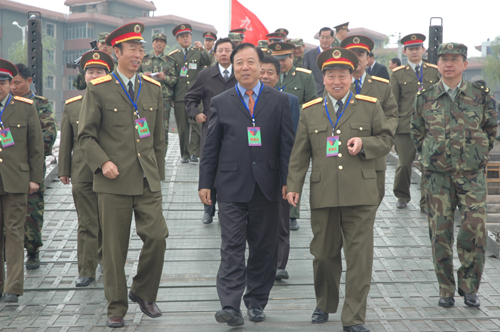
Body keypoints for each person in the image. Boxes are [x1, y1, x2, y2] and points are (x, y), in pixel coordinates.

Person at [286, 48, 393, 332]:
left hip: (361, 194)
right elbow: (300, 154)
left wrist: (365, 144)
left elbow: (385, 139)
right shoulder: (310, 111)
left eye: (342, 75)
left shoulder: (369, 106)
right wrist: (294, 187)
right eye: (331, 75)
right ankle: (325, 303)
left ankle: (354, 317)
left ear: (351, 77)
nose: (337, 81)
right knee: (323, 254)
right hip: (324, 194)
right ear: (323, 79)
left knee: (359, 258)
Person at [78, 22, 169, 328]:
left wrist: (157, 171)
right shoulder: (99, 88)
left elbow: (159, 138)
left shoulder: (153, 89)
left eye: (141, 49)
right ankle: (116, 306)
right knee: (115, 250)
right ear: (116, 52)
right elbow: (85, 137)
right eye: (132, 49)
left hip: (146, 180)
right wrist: (102, 163)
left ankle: (143, 292)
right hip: (113, 182)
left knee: (157, 237)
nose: (139, 54)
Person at [198, 43, 294, 326]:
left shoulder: (279, 101)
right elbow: (210, 147)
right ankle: (230, 305)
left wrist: (289, 182)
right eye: (239, 63)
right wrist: (206, 183)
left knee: (264, 249)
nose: (245, 68)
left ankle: (255, 302)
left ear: (260, 66)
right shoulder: (221, 101)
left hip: (268, 186)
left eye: (250, 62)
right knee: (232, 247)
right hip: (230, 186)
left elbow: (287, 146)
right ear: (234, 66)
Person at [411, 42, 497, 309]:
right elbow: (417, 133)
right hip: (437, 178)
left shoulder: (480, 96)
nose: (449, 64)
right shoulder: (424, 97)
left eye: (455, 59)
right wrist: (431, 155)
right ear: (437, 64)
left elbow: (491, 129)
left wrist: (477, 154)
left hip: (472, 177)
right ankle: (446, 288)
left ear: (464, 64)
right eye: (444, 59)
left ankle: (470, 287)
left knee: (475, 231)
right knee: (440, 234)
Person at [59, 50, 114, 287]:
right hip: (82, 172)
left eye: (99, 71)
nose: (94, 75)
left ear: (108, 75)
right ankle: (86, 270)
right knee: (87, 222)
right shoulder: (72, 106)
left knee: (109, 221)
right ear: (84, 76)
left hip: (111, 172)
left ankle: (107, 260)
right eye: (90, 72)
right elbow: (67, 142)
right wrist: (64, 169)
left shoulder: (117, 102)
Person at [0, 59, 44, 303]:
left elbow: (36, 147)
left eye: (4, 82)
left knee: (14, 233)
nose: (0, 87)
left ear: (10, 85)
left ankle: (13, 287)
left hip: (17, 180)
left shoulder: (26, 108)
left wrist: (35, 178)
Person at [185, 38, 237, 225]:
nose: (224, 54)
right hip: (211, 130)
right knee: (210, 166)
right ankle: (208, 208)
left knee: (234, 167)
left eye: (228, 50)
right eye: (220, 50)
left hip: (236, 132)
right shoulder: (206, 75)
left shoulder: (241, 74)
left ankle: (232, 207)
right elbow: (190, 98)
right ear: (214, 54)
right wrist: (196, 114)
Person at [10, 63, 57, 270]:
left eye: (17, 83)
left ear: (29, 82)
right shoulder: (6, 105)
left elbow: (49, 134)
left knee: (32, 209)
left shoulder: (40, 104)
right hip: (9, 166)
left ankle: (32, 250)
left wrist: (26, 149)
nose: (13, 87)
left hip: (31, 164)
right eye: (10, 83)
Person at [341, 35, 399, 204]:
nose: (357, 58)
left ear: (368, 58)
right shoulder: (336, 86)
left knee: (370, 206)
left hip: (373, 156)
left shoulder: (382, 86)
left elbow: (392, 116)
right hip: (344, 155)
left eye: (361, 54)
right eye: (352, 53)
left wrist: (379, 138)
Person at [268, 41, 318, 231]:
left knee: (293, 172)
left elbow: (312, 104)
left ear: (292, 58)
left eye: (284, 59)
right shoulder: (266, 75)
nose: (281, 63)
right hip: (270, 131)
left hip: (296, 132)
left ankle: (292, 214)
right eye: (277, 60)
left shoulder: (304, 77)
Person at [259, 55, 300, 281]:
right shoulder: (246, 99)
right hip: (253, 169)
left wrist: (290, 176)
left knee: (281, 220)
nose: (265, 76)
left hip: (280, 169)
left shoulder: (289, 100)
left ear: (278, 76)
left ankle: (279, 264)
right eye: (261, 71)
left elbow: (292, 140)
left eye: (270, 73)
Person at [391, 33, 440, 211]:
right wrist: (392, 126)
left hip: (430, 125)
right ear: (405, 51)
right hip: (405, 126)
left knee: (428, 163)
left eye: (417, 48)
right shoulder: (397, 74)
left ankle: (426, 201)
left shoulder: (434, 71)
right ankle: (402, 195)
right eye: (410, 49)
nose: (414, 52)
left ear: (423, 50)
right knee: (404, 163)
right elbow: (393, 102)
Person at [169, 23, 211, 163]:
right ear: (177, 40)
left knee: (197, 124)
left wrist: (203, 49)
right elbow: (173, 77)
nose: (185, 39)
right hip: (180, 96)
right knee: (182, 128)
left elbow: (208, 62)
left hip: (196, 96)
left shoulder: (198, 51)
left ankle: (195, 152)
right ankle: (185, 154)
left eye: (187, 36)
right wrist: (173, 97)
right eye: (182, 37)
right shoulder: (174, 56)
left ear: (191, 37)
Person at [141, 32, 178, 152]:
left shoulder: (170, 61)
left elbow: (175, 80)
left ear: (165, 44)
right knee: (144, 126)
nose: (159, 44)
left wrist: (164, 77)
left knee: (162, 128)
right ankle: (145, 153)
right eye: (156, 41)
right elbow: (133, 75)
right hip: (145, 98)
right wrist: (143, 75)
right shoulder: (143, 59)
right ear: (152, 43)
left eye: (161, 42)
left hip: (163, 99)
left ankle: (161, 155)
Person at [303, 27, 334, 96]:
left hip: (334, 94)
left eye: (327, 37)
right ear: (319, 38)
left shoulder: (337, 55)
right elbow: (304, 78)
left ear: (333, 39)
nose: (324, 40)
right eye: (322, 37)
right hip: (315, 95)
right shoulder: (308, 55)